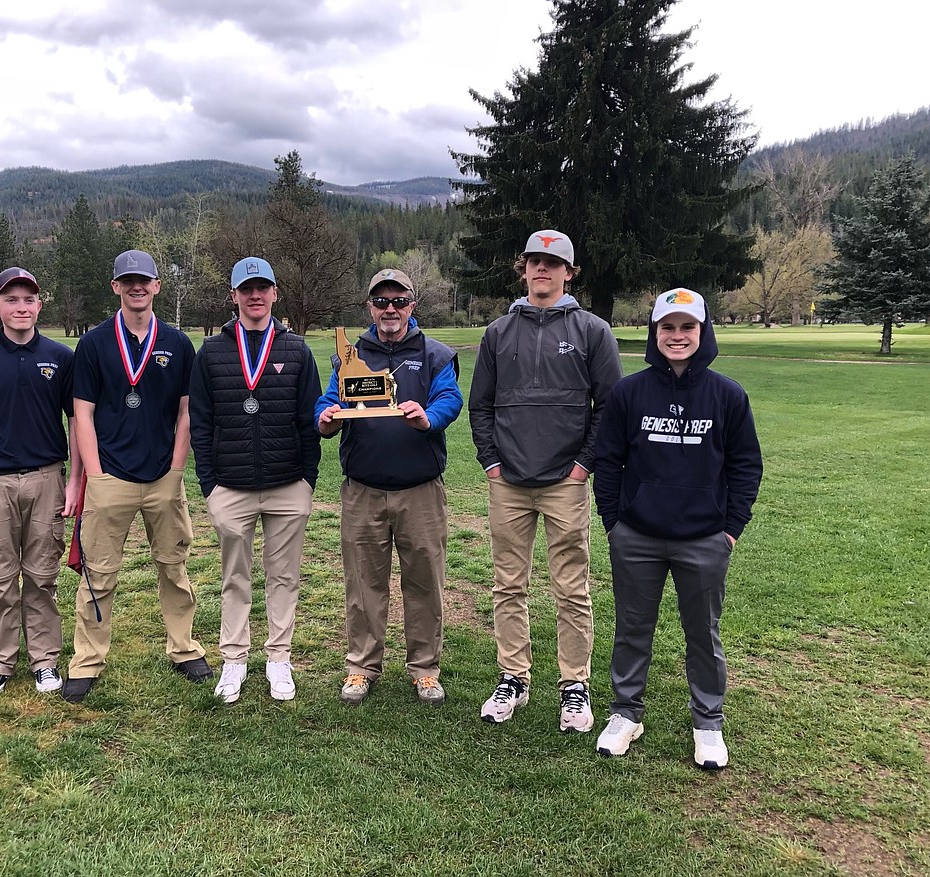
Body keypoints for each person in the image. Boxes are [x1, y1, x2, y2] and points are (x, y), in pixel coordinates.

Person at [592, 288, 762, 769]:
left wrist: (730, 529)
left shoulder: (727, 395)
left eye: (688, 327)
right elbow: (609, 461)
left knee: (703, 634)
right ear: (655, 333)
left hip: (704, 538)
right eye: (668, 327)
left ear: (703, 331)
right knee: (632, 628)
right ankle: (626, 713)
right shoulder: (629, 392)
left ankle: (708, 722)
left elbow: (746, 465)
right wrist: (614, 523)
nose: (677, 336)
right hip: (637, 536)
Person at [469, 229, 622, 728]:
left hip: (565, 482)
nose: (542, 270)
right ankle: (514, 677)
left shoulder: (593, 330)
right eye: (534, 261)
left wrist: (583, 467)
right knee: (508, 585)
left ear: (569, 273)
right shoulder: (497, 333)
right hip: (508, 482)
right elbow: (481, 406)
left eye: (553, 264)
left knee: (571, 588)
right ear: (523, 268)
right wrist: (491, 463)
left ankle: (574, 684)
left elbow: (610, 410)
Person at [62, 249, 210, 703]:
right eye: (127, 280)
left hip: (163, 477)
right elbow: (81, 415)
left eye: (144, 280)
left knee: (174, 566)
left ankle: (184, 649)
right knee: (98, 573)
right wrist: (96, 475)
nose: (136, 287)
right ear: (115, 287)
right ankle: (86, 661)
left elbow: (187, 411)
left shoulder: (178, 343)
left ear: (157, 285)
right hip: (111, 478)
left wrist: (176, 468)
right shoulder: (93, 344)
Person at [315, 268, 462, 706]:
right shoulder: (349, 353)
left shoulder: (434, 353)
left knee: (425, 582)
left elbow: (450, 398)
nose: (390, 309)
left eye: (399, 301)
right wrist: (323, 419)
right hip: (363, 488)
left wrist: (428, 417)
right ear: (370, 307)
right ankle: (361, 667)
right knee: (363, 583)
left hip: (420, 489)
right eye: (381, 302)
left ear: (412, 305)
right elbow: (330, 399)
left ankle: (425, 669)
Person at [189, 257, 321, 703]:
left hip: (288, 485)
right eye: (246, 289)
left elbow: (309, 421)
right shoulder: (211, 351)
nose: (255, 296)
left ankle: (279, 659)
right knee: (235, 578)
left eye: (262, 287)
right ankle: (234, 660)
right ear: (234, 297)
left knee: (283, 577)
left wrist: (307, 480)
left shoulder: (296, 349)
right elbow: (200, 423)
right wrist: (209, 484)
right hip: (231, 486)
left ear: (275, 293)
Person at [0, 267, 80, 700]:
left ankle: (45, 661)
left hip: (47, 480)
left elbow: (77, 420)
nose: (21, 307)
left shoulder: (61, 357)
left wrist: (76, 479)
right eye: (11, 299)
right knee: (0, 579)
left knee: (42, 576)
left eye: (28, 299)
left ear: (39, 305)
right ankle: (0, 664)